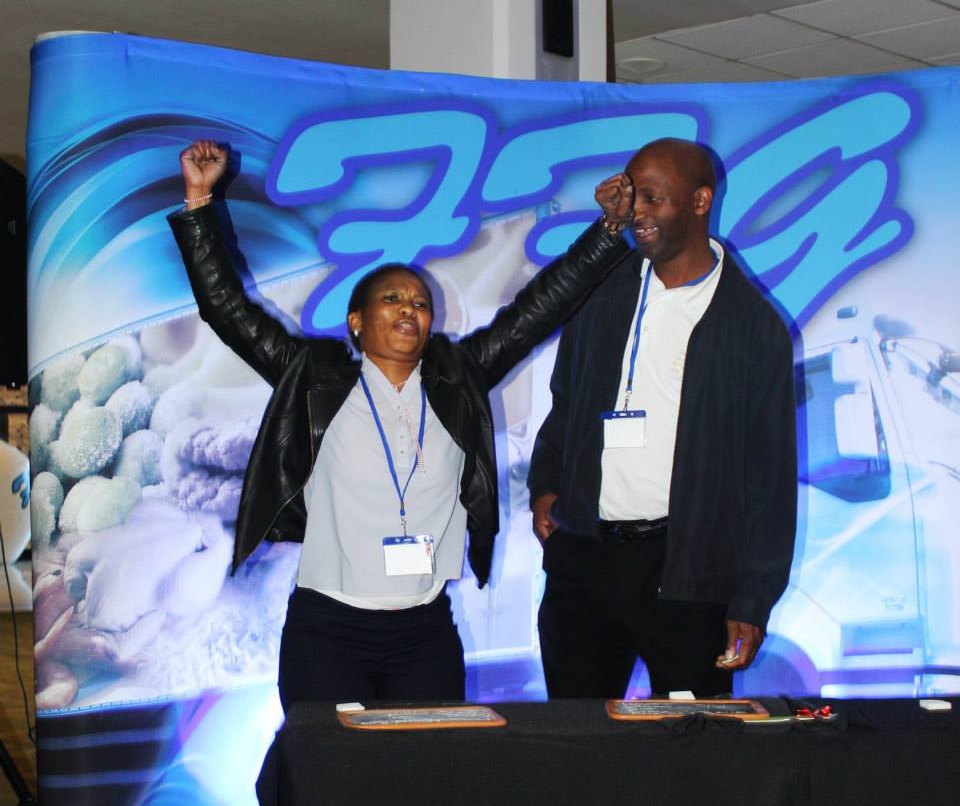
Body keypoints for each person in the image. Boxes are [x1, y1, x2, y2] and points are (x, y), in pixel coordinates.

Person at [169, 140, 632, 708]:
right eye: (391, 299)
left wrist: (608, 231)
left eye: (420, 302)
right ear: (356, 321)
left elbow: (537, 311)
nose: (409, 309)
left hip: (424, 633)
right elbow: (226, 309)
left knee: (421, 762)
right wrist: (200, 201)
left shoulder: (459, 377)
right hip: (328, 630)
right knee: (329, 762)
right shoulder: (312, 377)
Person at [528, 137, 797, 699]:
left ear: (700, 201)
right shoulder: (601, 290)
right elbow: (565, 400)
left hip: (688, 571)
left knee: (692, 740)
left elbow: (769, 478)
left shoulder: (752, 325)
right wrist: (546, 486)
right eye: (632, 198)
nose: (638, 214)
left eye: (653, 199)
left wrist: (752, 599)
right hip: (585, 559)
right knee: (574, 737)